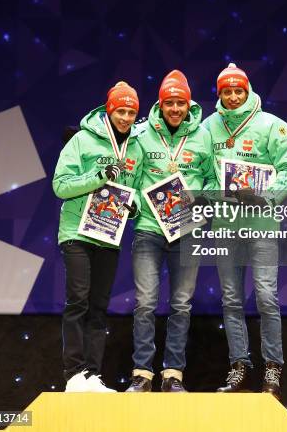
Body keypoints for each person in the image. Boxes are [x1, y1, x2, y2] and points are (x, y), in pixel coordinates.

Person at [202, 63, 287, 399]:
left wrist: (266, 197)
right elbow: (196, 170)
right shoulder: (208, 128)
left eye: (237, 90)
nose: (232, 96)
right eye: (226, 91)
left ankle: (273, 365)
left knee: (265, 296)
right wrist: (215, 194)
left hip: (261, 224)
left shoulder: (272, 126)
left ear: (247, 90)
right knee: (231, 299)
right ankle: (239, 365)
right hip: (225, 224)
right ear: (219, 94)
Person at [126, 70, 217, 393]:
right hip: (149, 229)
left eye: (180, 103)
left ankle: (173, 374)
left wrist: (201, 201)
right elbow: (131, 180)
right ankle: (142, 374)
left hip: (187, 230)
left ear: (188, 103)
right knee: (146, 302)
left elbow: (213, 178)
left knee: (181, 304)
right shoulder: (141, 134)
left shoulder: (204, 136)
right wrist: (136, 202)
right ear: (160, 104)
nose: (175, 109)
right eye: (169, 103)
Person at [53, 81, 143, 392]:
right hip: (77, 232)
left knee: (99, 305)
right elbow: (61, 186)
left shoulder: (136, 148)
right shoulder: (82, 140)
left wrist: (134, 205)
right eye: (121, 110)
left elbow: (139, 190)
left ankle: (92, 374)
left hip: (108, 235)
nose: (126, 117)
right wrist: (98, 177)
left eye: (132, 112)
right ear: (109, 109)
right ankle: (74, 373)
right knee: (78, 299)